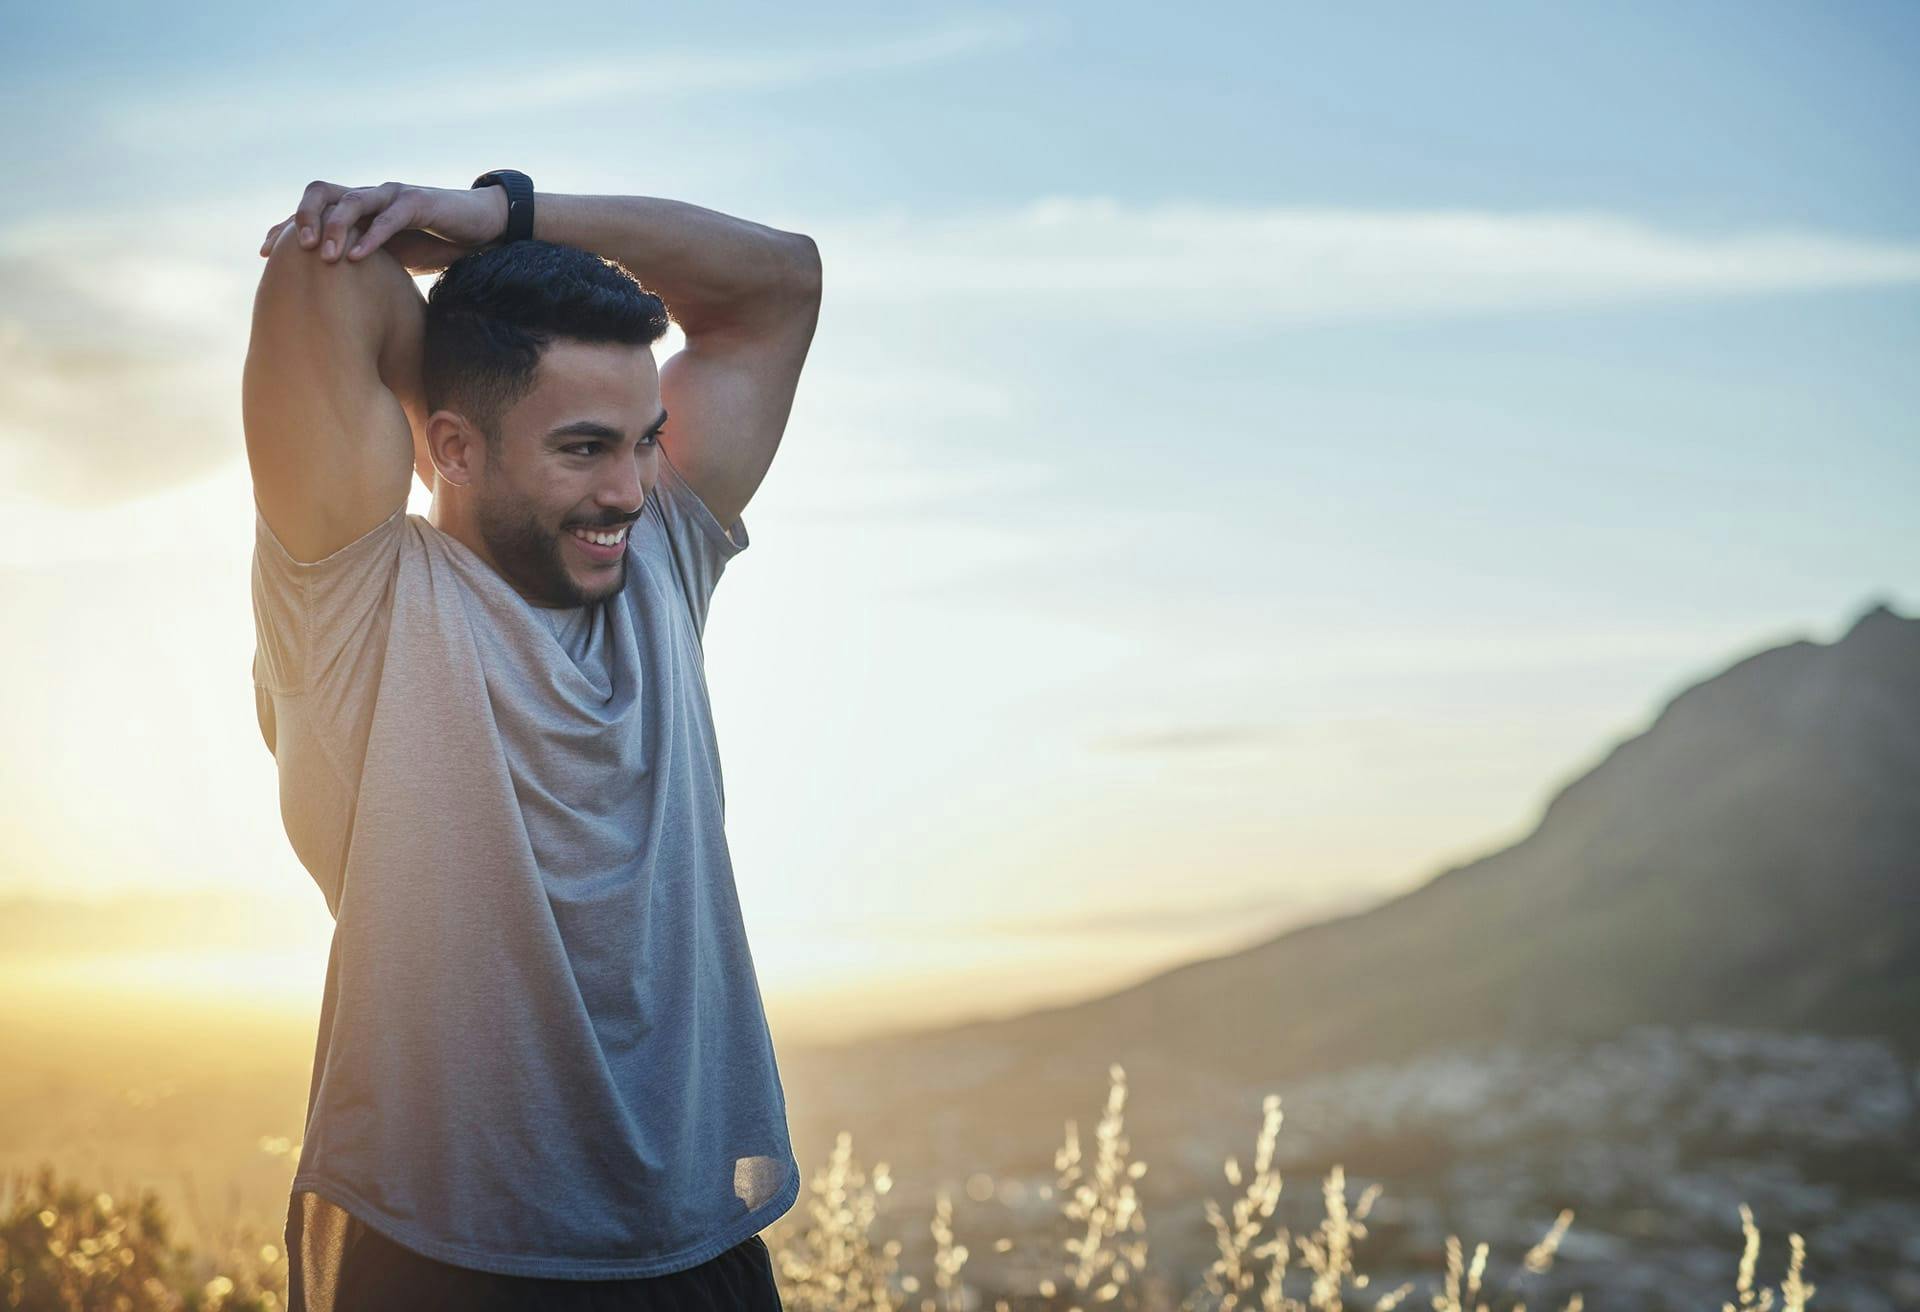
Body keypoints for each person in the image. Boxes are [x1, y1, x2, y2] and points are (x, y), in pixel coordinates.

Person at [243, 172, 820, 1310]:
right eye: (585, 448)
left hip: (698, 1251)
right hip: (441, 1260)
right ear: (447, 447)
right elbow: (327, 270)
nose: (630, 488)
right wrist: (469, 347)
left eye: (645, 441)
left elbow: (780, 283)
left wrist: (503, 218)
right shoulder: (357, 603)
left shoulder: (661, 557)